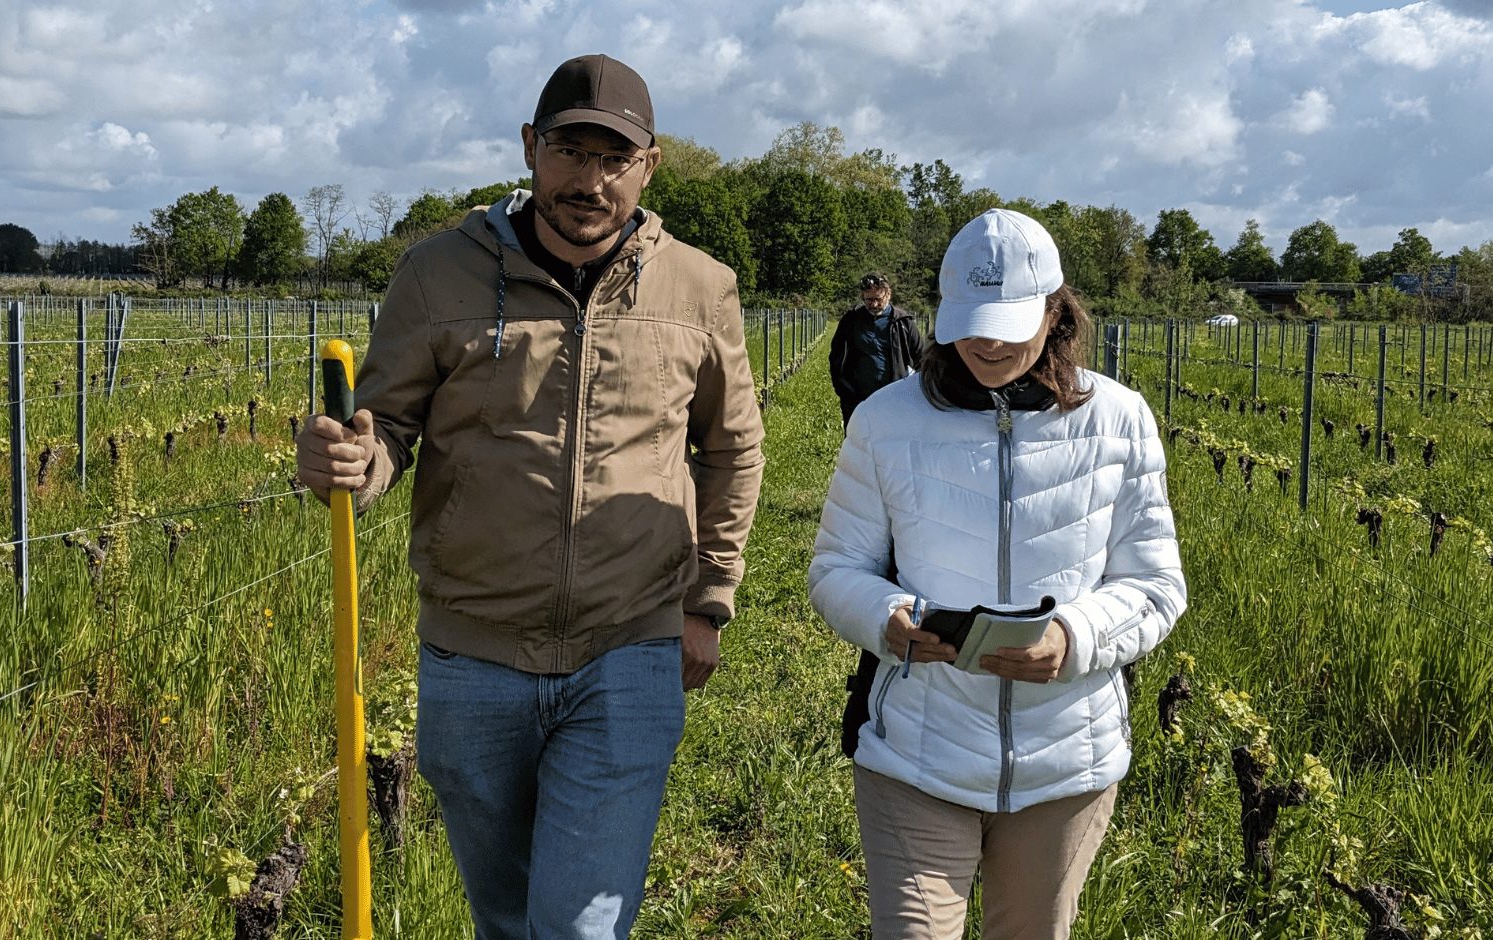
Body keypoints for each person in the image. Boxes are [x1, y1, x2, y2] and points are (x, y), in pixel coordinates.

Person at [294, 53, 765, 940]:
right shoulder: (438, 275)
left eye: (613, 158)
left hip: (629, 647)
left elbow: (732, 449)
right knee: (506, 918)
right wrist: (354, 464)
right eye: (568, 151)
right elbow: (387, 428)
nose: (589, 181)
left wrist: (710, 597)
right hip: (473, 655)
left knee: (578, 927)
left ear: (650, 165)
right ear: (528, 149)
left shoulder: (701, 287)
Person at [808, 208, 1185, 939]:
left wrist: (1074, 637)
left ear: (1056, 312)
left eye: (1011, 322)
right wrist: (885, 619)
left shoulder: (1119, 420)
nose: (986, 342)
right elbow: (835, 569)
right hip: (916, 752)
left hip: (1067, 764)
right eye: (972, 320)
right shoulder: (886, 421)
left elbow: (1156, 585)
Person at [828, 272, 926, 426]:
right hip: (857, 401)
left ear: (889, 294)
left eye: (878, 300)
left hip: (894, 401)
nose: (873, 305)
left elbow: (921, 359)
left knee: (891, 443)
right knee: (859, 444)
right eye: (868, 300)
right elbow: (836, 357)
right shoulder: (851, 321)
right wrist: (844, 390)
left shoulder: (903, 323)